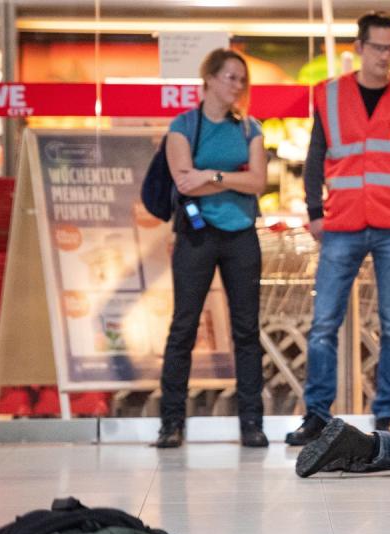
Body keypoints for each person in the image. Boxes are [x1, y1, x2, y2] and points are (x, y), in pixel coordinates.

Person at [286, 11, 390, 445]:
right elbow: (315, 157)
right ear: (358, 49)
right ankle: (317, 416)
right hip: (342, 222)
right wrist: (314, 211)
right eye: (377, 47)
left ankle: (386, 415)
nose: (385, 55)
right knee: (323, 324)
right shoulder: (330, 96)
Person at [156, 49, 268, 448]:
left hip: (242, 235)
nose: (236, 86)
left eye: (242, 79)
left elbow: (258, 182)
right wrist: (231, 177)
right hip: (196, 235)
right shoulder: (184, 126)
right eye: (229, 77)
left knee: (247, 330)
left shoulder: (250, 128)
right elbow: (184, 181)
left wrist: (213, 175)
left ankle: (251, 423)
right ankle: (172, 423)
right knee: (184, 326)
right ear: (208, 80)